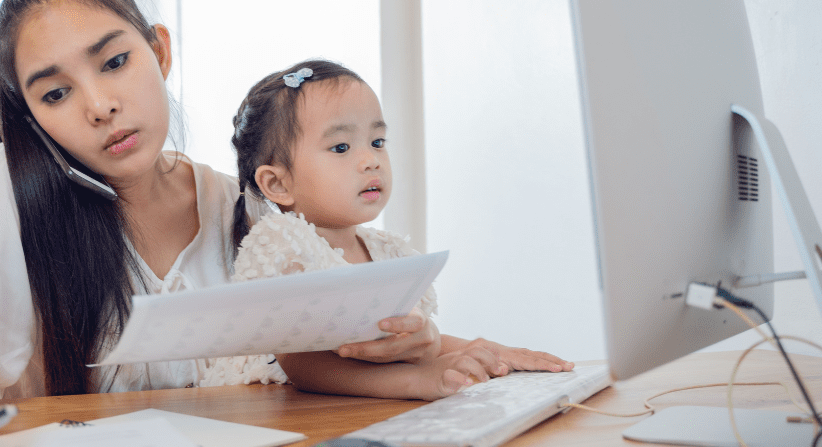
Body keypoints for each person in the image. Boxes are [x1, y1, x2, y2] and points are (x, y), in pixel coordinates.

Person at [0, 0, 502, 447]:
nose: (99, 104)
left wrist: (402, 349)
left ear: (160, 50)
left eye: (116, 61)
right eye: (56, 94)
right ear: (32, 118)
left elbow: (310, 357)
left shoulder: (241, 209)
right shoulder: (15, 192)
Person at [199, 60, 573, 399]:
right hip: (260, 413)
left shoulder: (386, 249)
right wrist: (419, 379)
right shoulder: (284, 243)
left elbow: (401, 340)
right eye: (341, 147)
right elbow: (302, 365)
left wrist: (485, 350)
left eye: (377, 142)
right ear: (278, 184)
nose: (370, 160)